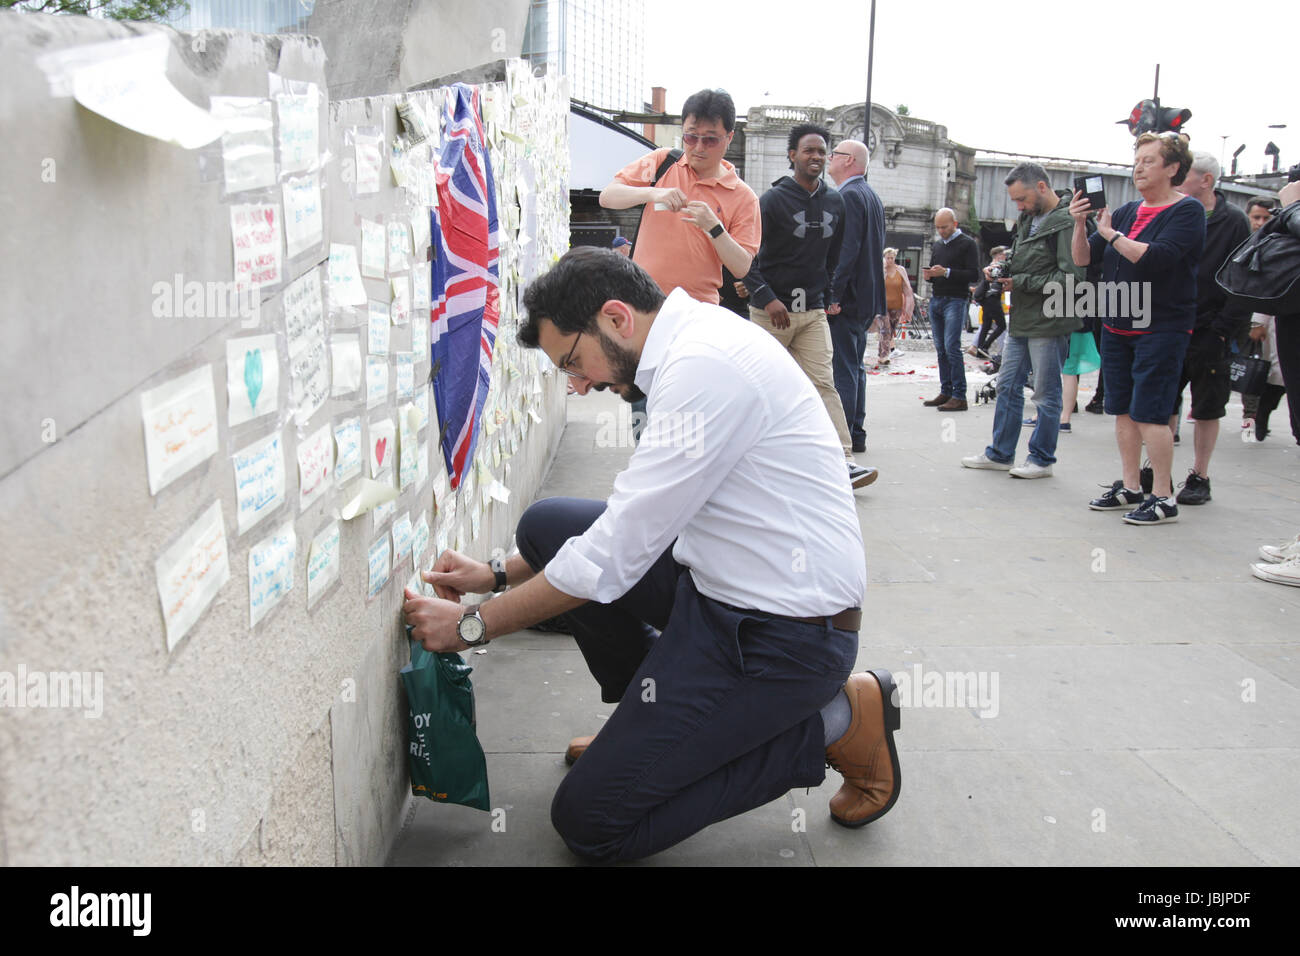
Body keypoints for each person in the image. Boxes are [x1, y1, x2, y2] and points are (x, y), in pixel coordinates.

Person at [401, 247, 902, 863]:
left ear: (616, 318)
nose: (579, 385)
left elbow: (610, 560)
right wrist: (498, 573)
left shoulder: (706, 370)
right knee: (548, 526)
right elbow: (630, 520)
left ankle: (838, 721)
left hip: (785, 641)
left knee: (591, 821)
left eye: (574, 362)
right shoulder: (689, 341)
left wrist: (471, 626)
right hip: (716, 592)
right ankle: (656, 734)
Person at [599, 88, 762, 440]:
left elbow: (742, 267)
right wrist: (651, 192)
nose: (698, 147)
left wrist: (714, 228)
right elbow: (607, 195)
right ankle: (651, 475)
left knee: (690, 412)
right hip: (642, 313)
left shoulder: (743, 197)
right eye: (691, 136)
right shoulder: (663, 162)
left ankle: (686, 479)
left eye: (710, 139)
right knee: (644, 413)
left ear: (729, 138)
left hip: (696, 320)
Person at [1070, 131, 1205, 525]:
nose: (1139, 168)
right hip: (1118, 323)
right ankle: (1131, 486)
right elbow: (1084, 258)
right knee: (1123, 411)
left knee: (1151, 414)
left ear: (1173, 167)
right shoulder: (1127, 211)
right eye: (1137, 161)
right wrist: (1081, 224)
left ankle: (1163, 495)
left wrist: (1110, 233)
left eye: (1149, 160)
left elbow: (1155, 258)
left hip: (1162, 325)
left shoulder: (1187, 211)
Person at [743, 123, 877, 488]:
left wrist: (826, 295)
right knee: (761, 387)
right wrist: (766, 298)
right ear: (793, 156)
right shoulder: (770, 201)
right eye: (808, 151)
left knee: (823, 383)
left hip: (813, 313)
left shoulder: (836, 201)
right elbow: (745, 258)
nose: (816, 157)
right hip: (771, 313)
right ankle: (752, 460)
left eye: (821, 151)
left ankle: (843, 461)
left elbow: (834, 258)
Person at [961, 163, 1084, 478]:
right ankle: (1001, 453)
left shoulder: (1067, 220)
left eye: (1022, 198)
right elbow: (1023, 258)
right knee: (1007, 385)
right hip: (1022, 317)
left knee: (1045, 392)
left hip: (1049, 321)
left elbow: (1072, 277)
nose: (1018, 205)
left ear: (1041, 187)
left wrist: (1022, 281)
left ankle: (1041, 459)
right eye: (1015, 200)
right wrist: (1002, 267)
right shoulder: (1030, 218)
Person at [1166, 152, 1251, 505]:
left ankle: (1199, 475)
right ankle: (1157, 472)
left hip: (1210, 328)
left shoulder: (1233, 222)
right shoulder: (1173, 213)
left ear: (1206, 180)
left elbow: (1245, 279)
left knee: (1207, 406)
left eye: (1185, 174)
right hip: (1171, 324)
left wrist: (1222, 329)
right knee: (1162, 402)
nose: (1177, 179)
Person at [825, 138, 887, 450]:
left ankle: (845, 437)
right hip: (864, 298)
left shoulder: (848, 195)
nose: (828, 158)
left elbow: (846, 251)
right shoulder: (869, 195)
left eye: (834, 154)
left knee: (844, 370)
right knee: (856, 367)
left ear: (849, 160)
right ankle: (857, 432)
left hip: (846, 299)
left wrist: (833, 295)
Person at [920, 208, 981, 411]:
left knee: (951, 347)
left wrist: (946, 272)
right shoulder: (938, 245)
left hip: (956, 299)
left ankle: (959, 395)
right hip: (937, 298)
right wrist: (930, 275)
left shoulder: (967, 244)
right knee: (941, 348)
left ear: (954, 224)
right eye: (938, 227)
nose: (941, 231)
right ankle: (946, 390)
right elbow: (934, 267)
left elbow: (974, 274)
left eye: (944, 227)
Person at [967, 246, 1008, 359]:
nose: (1006, 257)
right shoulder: (997, 266)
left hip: (986, 299)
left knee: (986, 326)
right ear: (999, 255)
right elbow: (996, 281)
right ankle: (985, 346)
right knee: (1001, 326)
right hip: (993, 298)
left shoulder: (990, 266)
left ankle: (980, 350)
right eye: (1004, 254)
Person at [877, 247, 915, 366]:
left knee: (891, 331)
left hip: (897, 305)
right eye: (887, 258)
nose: (890, 260)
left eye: (892, 258)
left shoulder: (900, 270)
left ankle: (882, 353)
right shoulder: (881, 271)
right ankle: (884, 356)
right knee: (885, 330)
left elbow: (906, 289)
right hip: (883, 306)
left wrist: (907, 306)